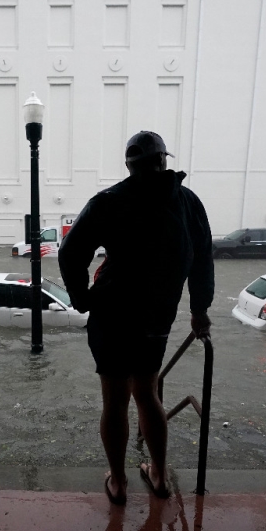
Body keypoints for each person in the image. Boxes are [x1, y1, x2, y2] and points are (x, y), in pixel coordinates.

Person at [58, 130, 213, 506]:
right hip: (157, 318)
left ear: (128, 165)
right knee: (147, 394)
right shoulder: (188, 202)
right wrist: (199, 311)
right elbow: (201, 259)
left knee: (114, 401)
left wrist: (81, 299)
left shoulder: (109, 201)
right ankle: (159, 475)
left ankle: (119, 482)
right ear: (164, 161)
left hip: (111, 315)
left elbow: (70, 252)